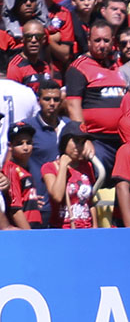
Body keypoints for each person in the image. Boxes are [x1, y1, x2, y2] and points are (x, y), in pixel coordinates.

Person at [65, 20, 127, 183]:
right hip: (96, 140)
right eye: (97, 40)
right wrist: (83, 140)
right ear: (88, 41)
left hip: (124, 139)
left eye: (106, 41)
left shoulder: (119, 65)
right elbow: (73, 106)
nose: (102, 45)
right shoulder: (79, 67)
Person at [22, 79, 70, 225]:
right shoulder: (27, 128)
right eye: (47, 99)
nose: (52, 103)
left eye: (56, 99)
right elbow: (14, 165)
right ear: (38, 101)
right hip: (42, 205)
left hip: (67, 205)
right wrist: (28, 194)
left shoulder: (69, 126)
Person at [41, 121, 98, 228]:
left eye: (82, 142)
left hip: (87, 228)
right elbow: (57, 197)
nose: (79, 146)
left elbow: (90, 201)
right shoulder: (50, 167)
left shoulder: (87, 166)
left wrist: (95, 227)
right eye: (76, 141)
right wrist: (63, 167)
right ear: (65, 141)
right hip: (63, 228)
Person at [2, 121, 44, 228]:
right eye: (20, 143)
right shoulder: (11, 169)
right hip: (24, 231)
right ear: (10, 146)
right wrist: (27, 234)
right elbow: (15, 208)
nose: (25, 147)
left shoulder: (25, 169)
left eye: (29, 142)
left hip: (34, 226)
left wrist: (32, 201)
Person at [6, 20, 55, 93]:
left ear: (44, 39)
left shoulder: (45, 66)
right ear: (22, 39)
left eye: (38, 36)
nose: (33, 40)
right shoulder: (16, 67)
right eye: (29, 36)